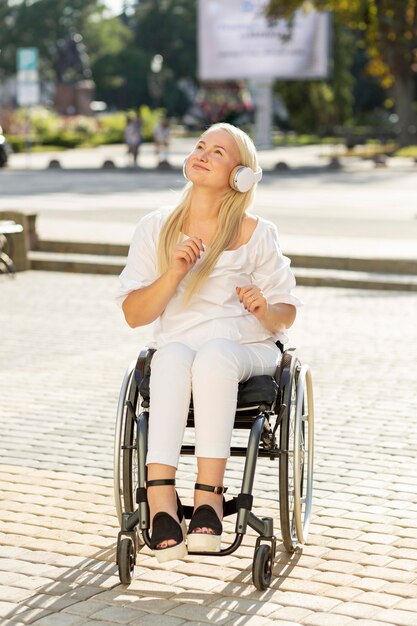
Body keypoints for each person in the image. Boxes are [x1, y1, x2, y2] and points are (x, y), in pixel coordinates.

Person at [116, 123, 302, 563]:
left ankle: (209, 500)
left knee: (215, 355)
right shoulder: (155, 228)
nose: (202, 153)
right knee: (170, 357)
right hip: (181, 350)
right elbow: (134, 315)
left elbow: (287, 309)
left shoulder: (258, 233)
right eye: (200, 145)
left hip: (246, 350)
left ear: (241, 176)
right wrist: (174, 273)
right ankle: (161, 504)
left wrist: (264, 309)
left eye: (217, 152)